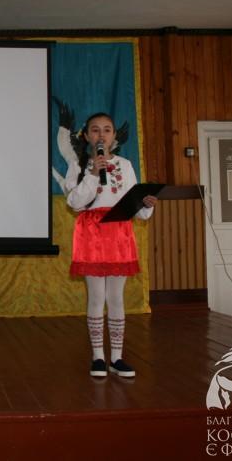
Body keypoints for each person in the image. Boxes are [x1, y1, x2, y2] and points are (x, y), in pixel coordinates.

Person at [65, 112, 158, 378]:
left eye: (107, 129)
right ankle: (98, 357)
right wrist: (94, 173)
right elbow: (75, 203)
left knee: (116, 297)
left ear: (114, 136)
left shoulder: (125, 165)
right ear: (86, 136)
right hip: (91, 234)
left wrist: (146, 204)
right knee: (96, 297)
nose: (101, 134)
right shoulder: (78, 165)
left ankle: (117, 357)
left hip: (119, 233)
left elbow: (138, 210)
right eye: (95, 130)